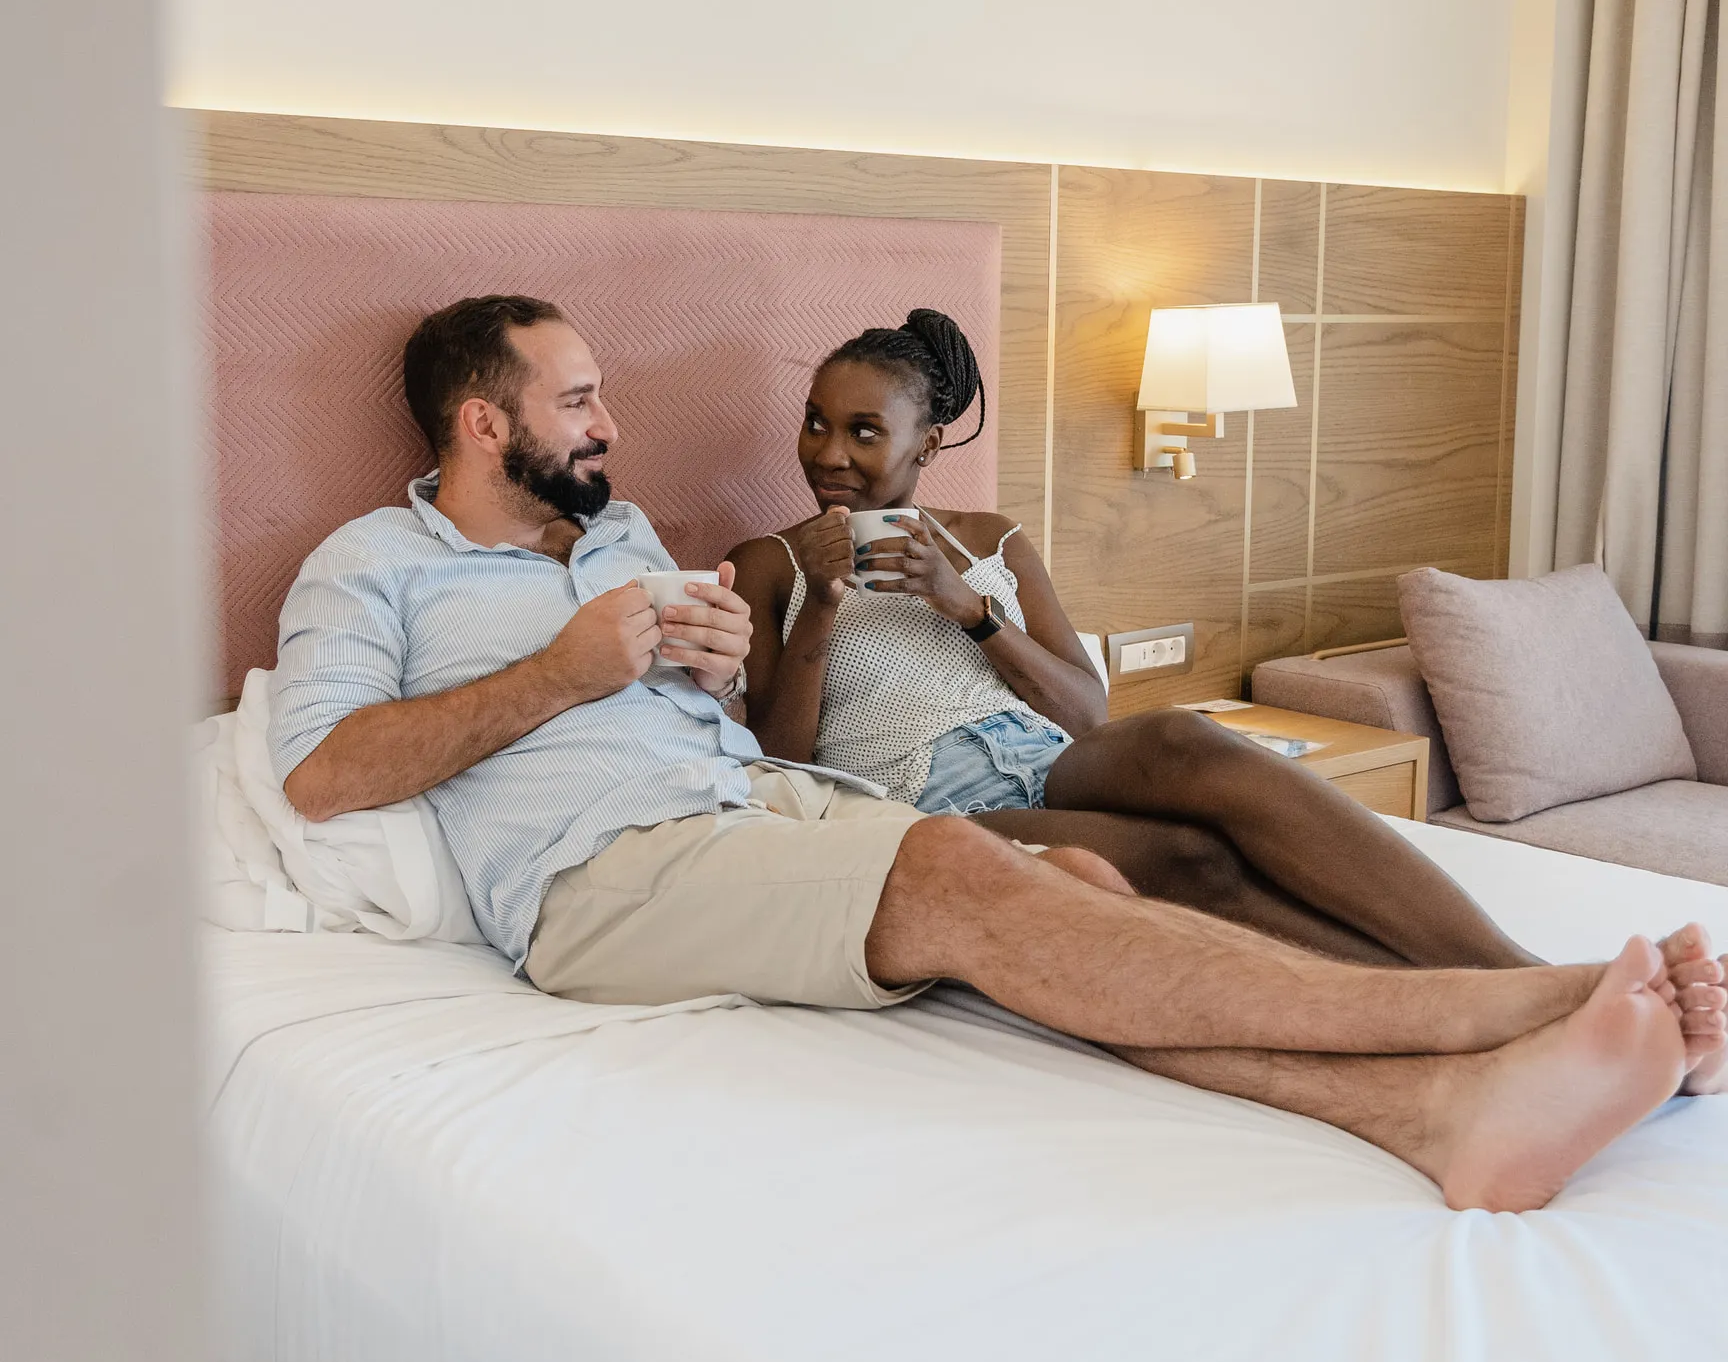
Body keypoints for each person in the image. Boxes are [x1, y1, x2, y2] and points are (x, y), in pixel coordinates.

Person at [270, 294, 1727, 1215]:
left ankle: (1438, 1116)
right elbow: (319, 776)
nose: (614, 422)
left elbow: (746, 719)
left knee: (1080, 877)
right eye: (580, 398)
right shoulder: (372, 564)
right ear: (485, 422)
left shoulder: (627, 538)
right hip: (605, 872)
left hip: (765, 803)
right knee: (970, 875)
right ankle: (1511, 1009)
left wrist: (702, 666)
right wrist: (567, 671)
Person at [729, 310, 1529, 973]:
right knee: (1189, 856)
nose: (829, 454)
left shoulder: (991, 539)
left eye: (864, 432)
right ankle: (1463, 999)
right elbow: (781, 763)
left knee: (1184, 736)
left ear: (927, 444)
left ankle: (1512, 968)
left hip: (1055, 759)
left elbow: (1087, 714)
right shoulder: (770, 563)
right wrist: (822, 605)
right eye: (816, 423)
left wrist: (969, 608)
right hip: (932, 800)